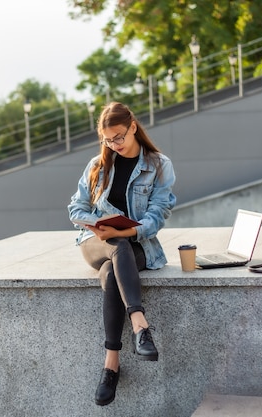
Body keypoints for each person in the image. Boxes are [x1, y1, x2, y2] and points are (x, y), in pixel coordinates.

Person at [67, 102, 176, 406]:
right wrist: (97, 224)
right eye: (107, 140)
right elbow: (76, 207)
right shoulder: (98, 165)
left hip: (135, 245)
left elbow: (157, 215)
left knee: (112, 270)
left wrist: (124, 231)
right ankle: (140, 324)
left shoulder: (158, 165)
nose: (113, 145)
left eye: (118, 137)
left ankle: (110, 364)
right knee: (116, 246)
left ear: (132, 127)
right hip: (95, 242)